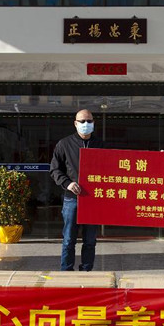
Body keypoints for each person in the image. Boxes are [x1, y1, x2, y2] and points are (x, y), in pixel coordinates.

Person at [50, 109, 104, 271]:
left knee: (90, 240)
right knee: (68, 239)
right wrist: (67, 183)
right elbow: (55, 169)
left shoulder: (100, 145)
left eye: (89, 121)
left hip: (93, 200)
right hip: (71, 198)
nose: (86, 124)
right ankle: (66, 271)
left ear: (94, 123)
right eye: (82, 121)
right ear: (75, 123)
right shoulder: (64, 144)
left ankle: (86, 270)